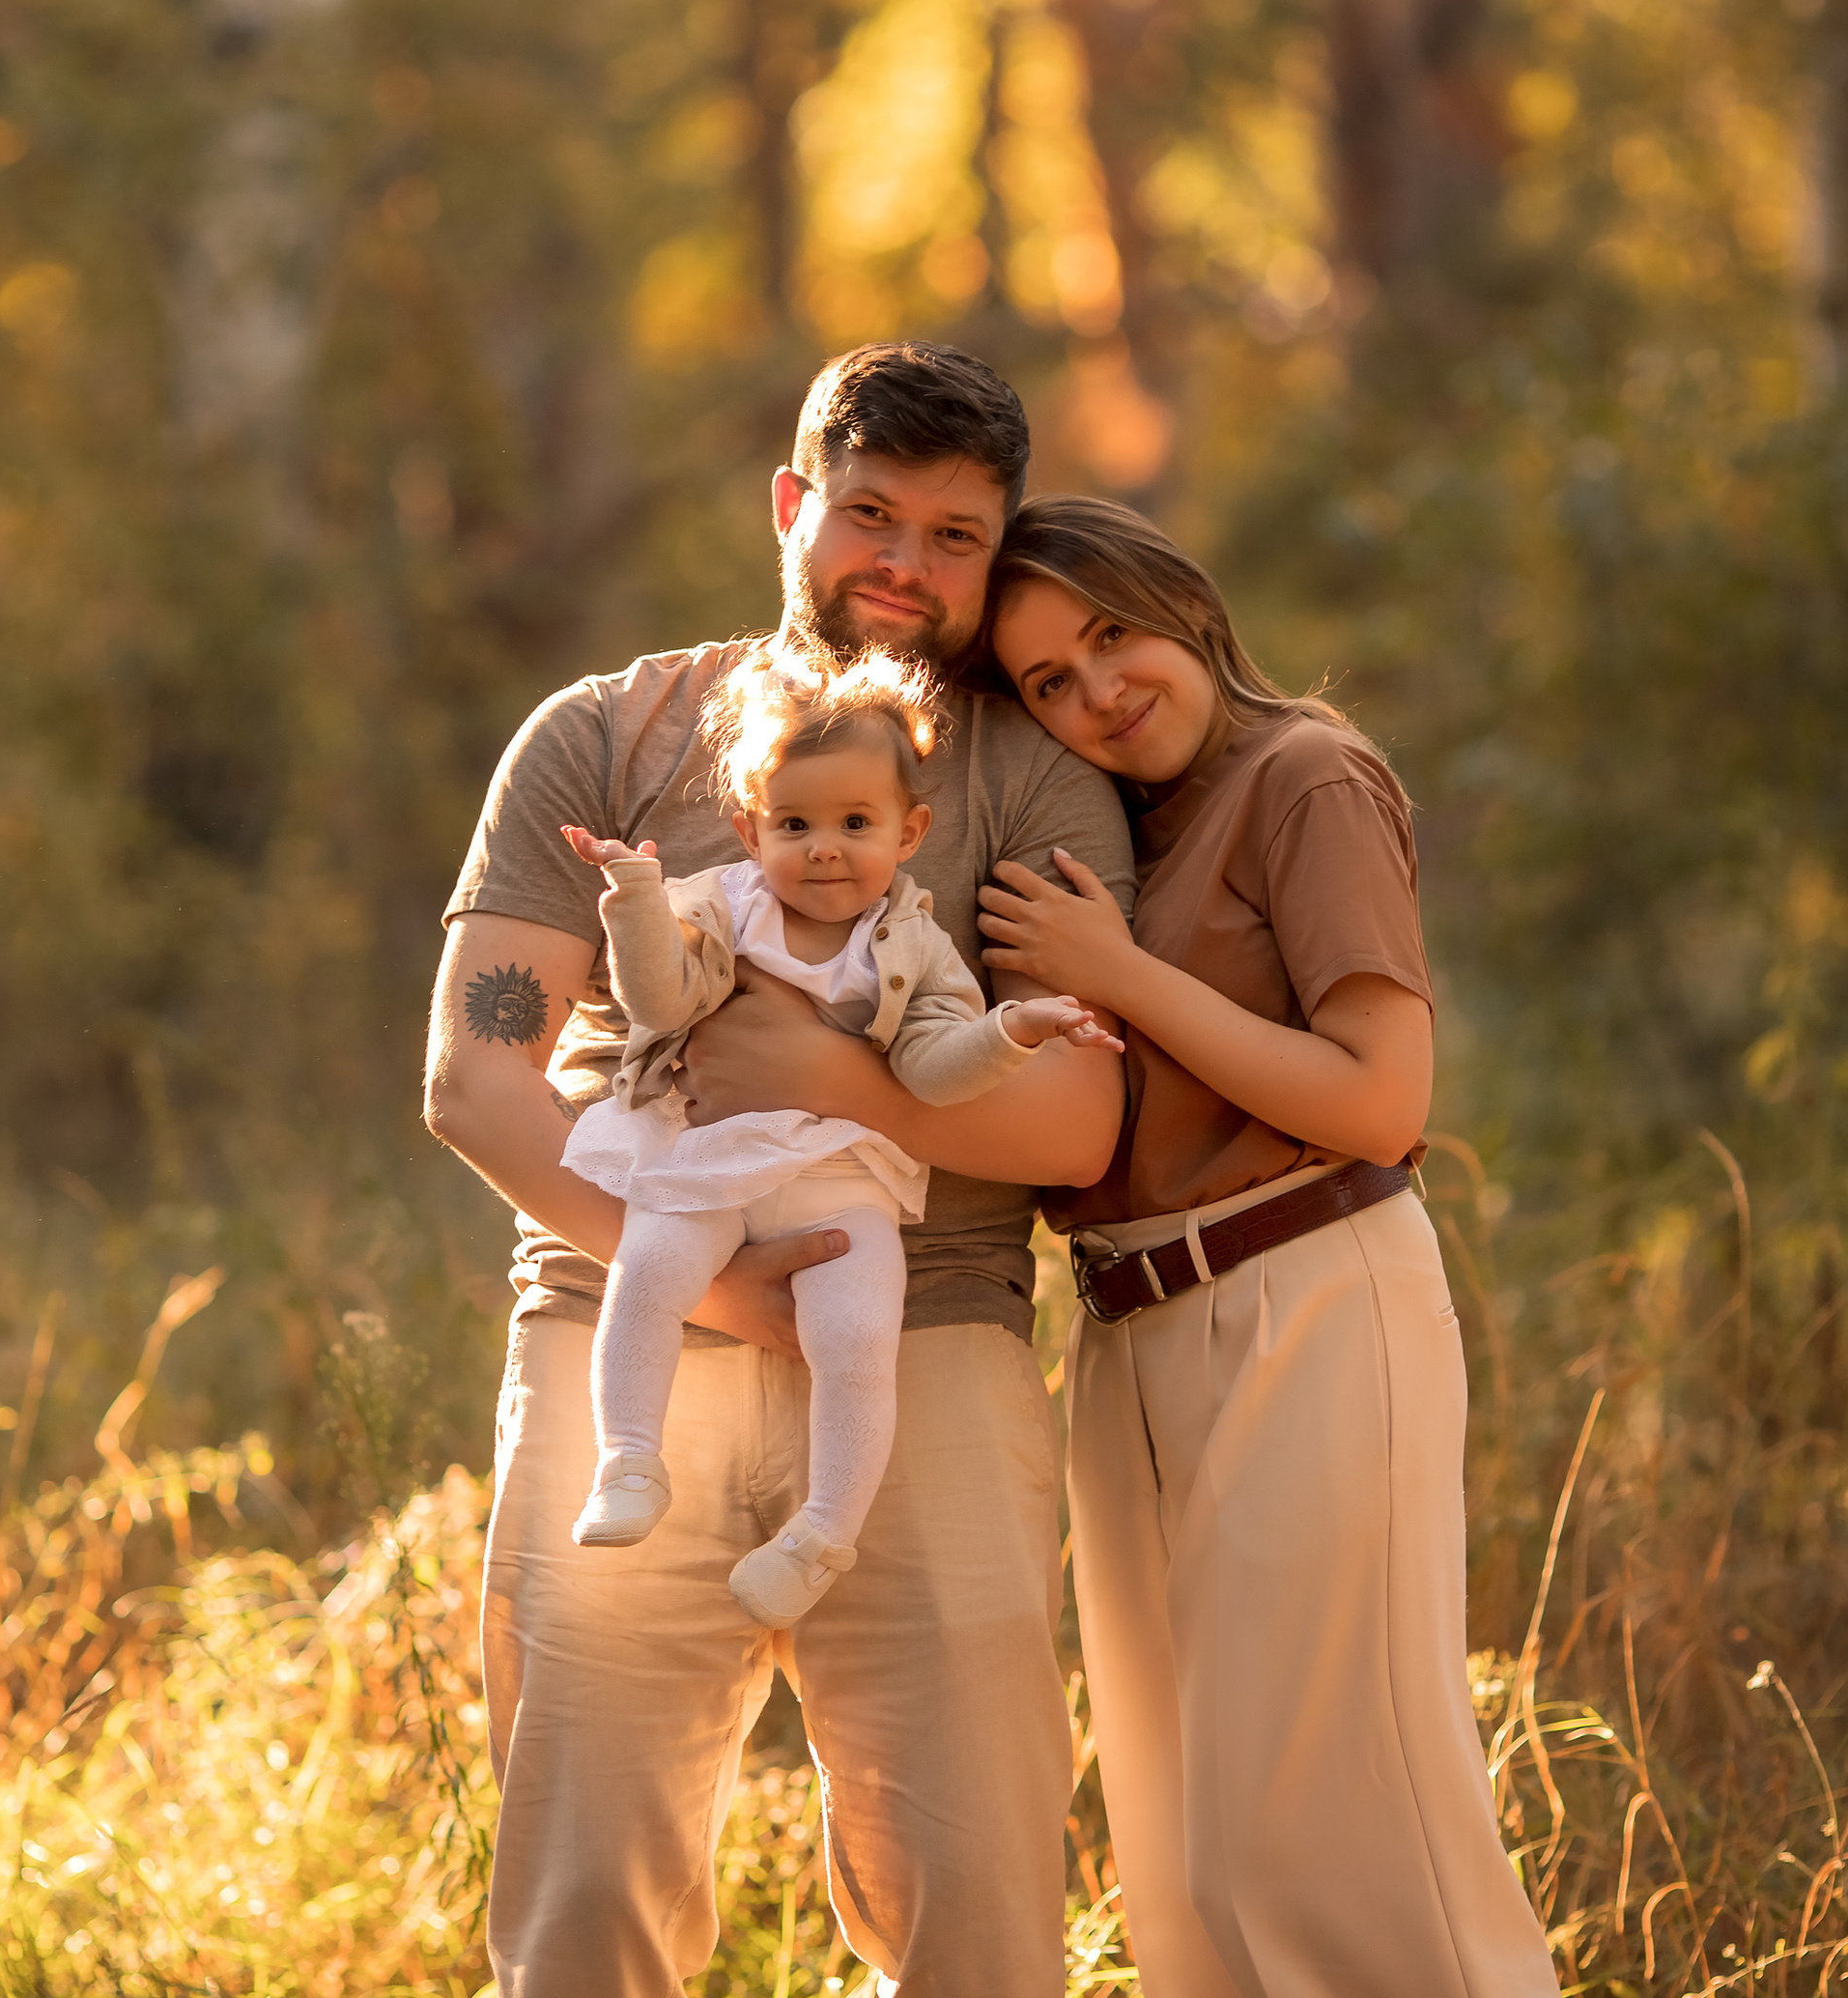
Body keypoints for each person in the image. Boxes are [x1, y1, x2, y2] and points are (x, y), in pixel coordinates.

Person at [423, 343, 1135, 1998]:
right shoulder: (607, 734)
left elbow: (1071, 1131)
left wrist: (828, 1076)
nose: (906, 563)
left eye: (957, 536)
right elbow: (475, 1080)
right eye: (870, 514)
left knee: (973, 1894)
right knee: (585, 1893)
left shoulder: (1035, 778)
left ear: (998, 553)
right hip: (626, 1330)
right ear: (790, 505)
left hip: (929, 1341)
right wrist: (727, 1287)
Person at [974, 493, 1560, 1998]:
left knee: (1344, 1840)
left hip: (1305, 1296)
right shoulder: (1112, 831)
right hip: (1127, 1337)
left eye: (1110, 637)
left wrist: (1118, 974)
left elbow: (1382, 1098)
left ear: (1182, 602)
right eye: (1048, 680)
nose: (1097, 691)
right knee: (1193, 1865)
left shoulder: (1307, 775)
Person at [555, 646, 1119, 1625]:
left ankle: (822, 1532)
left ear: (909, 833)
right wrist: (636, 898)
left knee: (857, 1335)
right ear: (748, 828)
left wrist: (1012, 1029)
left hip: (843, 1174)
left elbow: (936, 1071)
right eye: (794, 824)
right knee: (647, 1271)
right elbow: (657, 993)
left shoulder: (913, 944)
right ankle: (629, 1458)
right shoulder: (718, 905)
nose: (824, 847)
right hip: (713, 1152)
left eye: (855, 824)